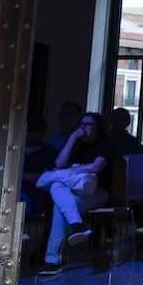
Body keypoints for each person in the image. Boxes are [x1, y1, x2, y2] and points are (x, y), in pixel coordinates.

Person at [39, 112, 112, 275]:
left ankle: (52, 260)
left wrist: (71, 169)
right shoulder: (76, 144)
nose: (84, 128)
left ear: (97, 128)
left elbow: (95, 167)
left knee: (60, 205)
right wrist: (72, 138)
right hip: (71, 192)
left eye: (89, 124)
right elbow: (59, 164)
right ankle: (76, 225)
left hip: (97, 192)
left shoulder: (104, 145)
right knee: (56, 188)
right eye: (82, 124)